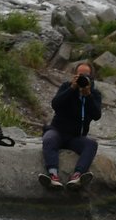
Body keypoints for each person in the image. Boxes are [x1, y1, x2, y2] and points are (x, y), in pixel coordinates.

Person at [38, 60, 102, 190]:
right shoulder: (66, 87)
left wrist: (88, 96)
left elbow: (96, 115)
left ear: (91, 77)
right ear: (74, 75)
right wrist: (72, 89)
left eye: (86, 76)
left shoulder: (95, 94)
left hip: (76, 137)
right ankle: (53, 176)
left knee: (91, 144)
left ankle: (77, 177)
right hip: (58, 131)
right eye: (80, 75)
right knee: (49, 138)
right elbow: (55, 105)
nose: (83, 78)